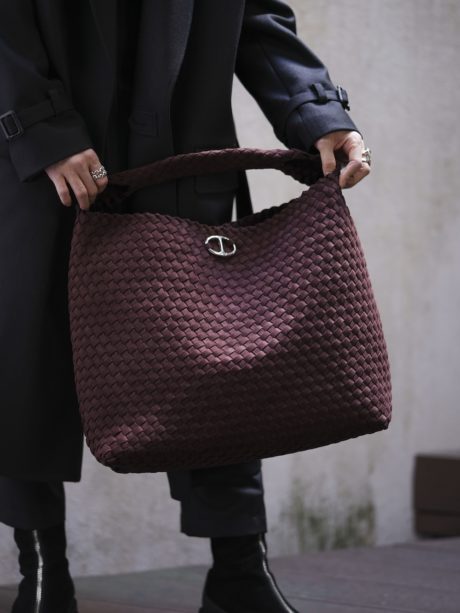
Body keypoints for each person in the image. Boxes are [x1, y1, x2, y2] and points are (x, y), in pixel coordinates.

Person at [0, 1, 370, 612]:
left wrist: (319, 113)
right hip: (46, 168)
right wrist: (44, 130)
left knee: (215, 363)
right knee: (29, 365)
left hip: (181, 156)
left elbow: (255, 18)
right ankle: (42, 572)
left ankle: (240, 574)